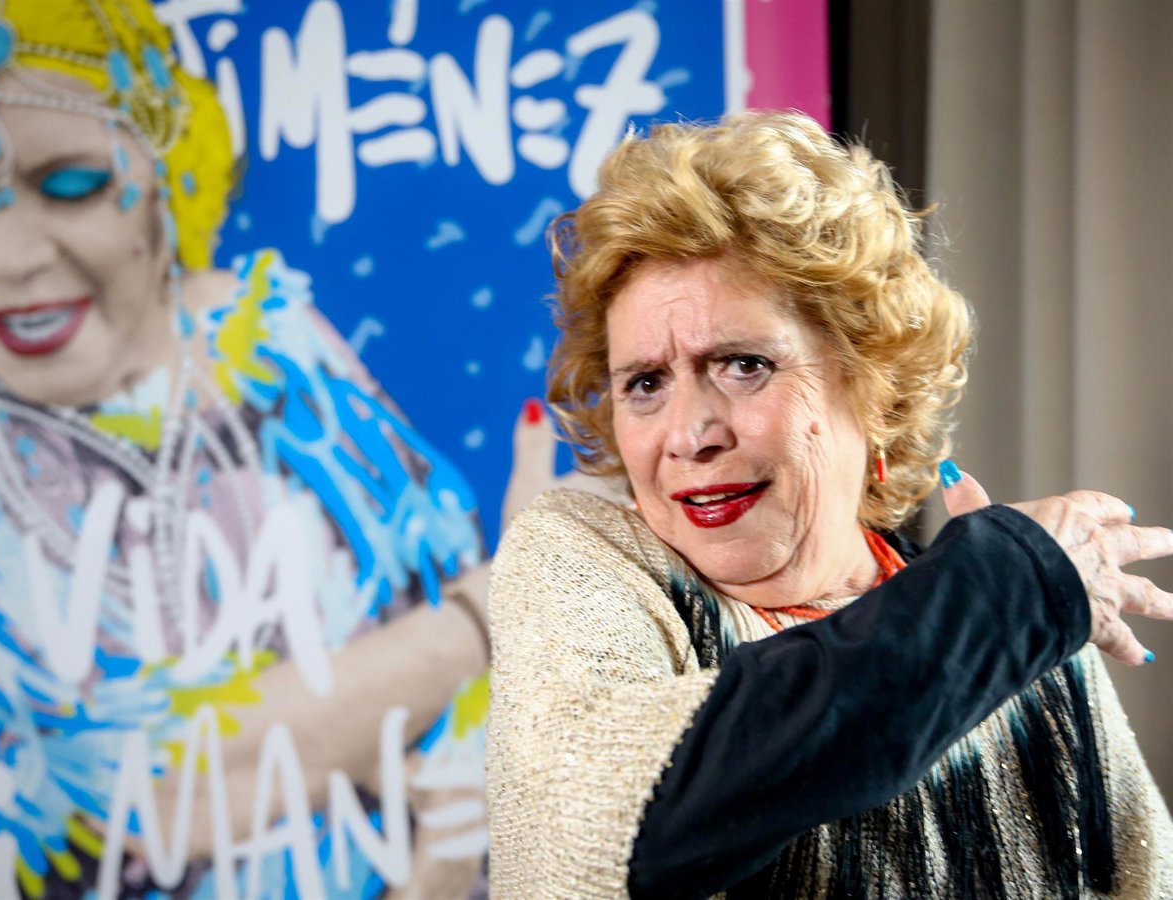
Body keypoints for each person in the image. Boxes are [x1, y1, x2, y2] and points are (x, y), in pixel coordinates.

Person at [487, 112, 1173, 898]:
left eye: (743, 365)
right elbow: (608, 829)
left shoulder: (1015, 630)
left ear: (872, 383)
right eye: (644, 383)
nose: (689, 434)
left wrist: (997, 606)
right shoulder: (580, 560)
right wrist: (991, 599)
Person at [0, 1, 536, 897]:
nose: (5, 257)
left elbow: (469, 686)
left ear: (165, 172)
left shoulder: (272, 339)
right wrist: (489, 615)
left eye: (70, 185)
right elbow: (141, 796)